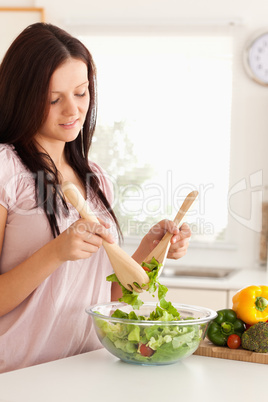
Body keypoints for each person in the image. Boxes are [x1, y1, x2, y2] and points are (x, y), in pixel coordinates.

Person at [0, 23, 191, 373]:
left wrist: (152, 249)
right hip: (18, 378)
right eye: (54, 99)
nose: (72, 110)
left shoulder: (96, 178)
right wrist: (56, 251)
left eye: (81, 93)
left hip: (86, 369)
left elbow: (112, 300)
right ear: (22, 95)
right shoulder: (5, 169)